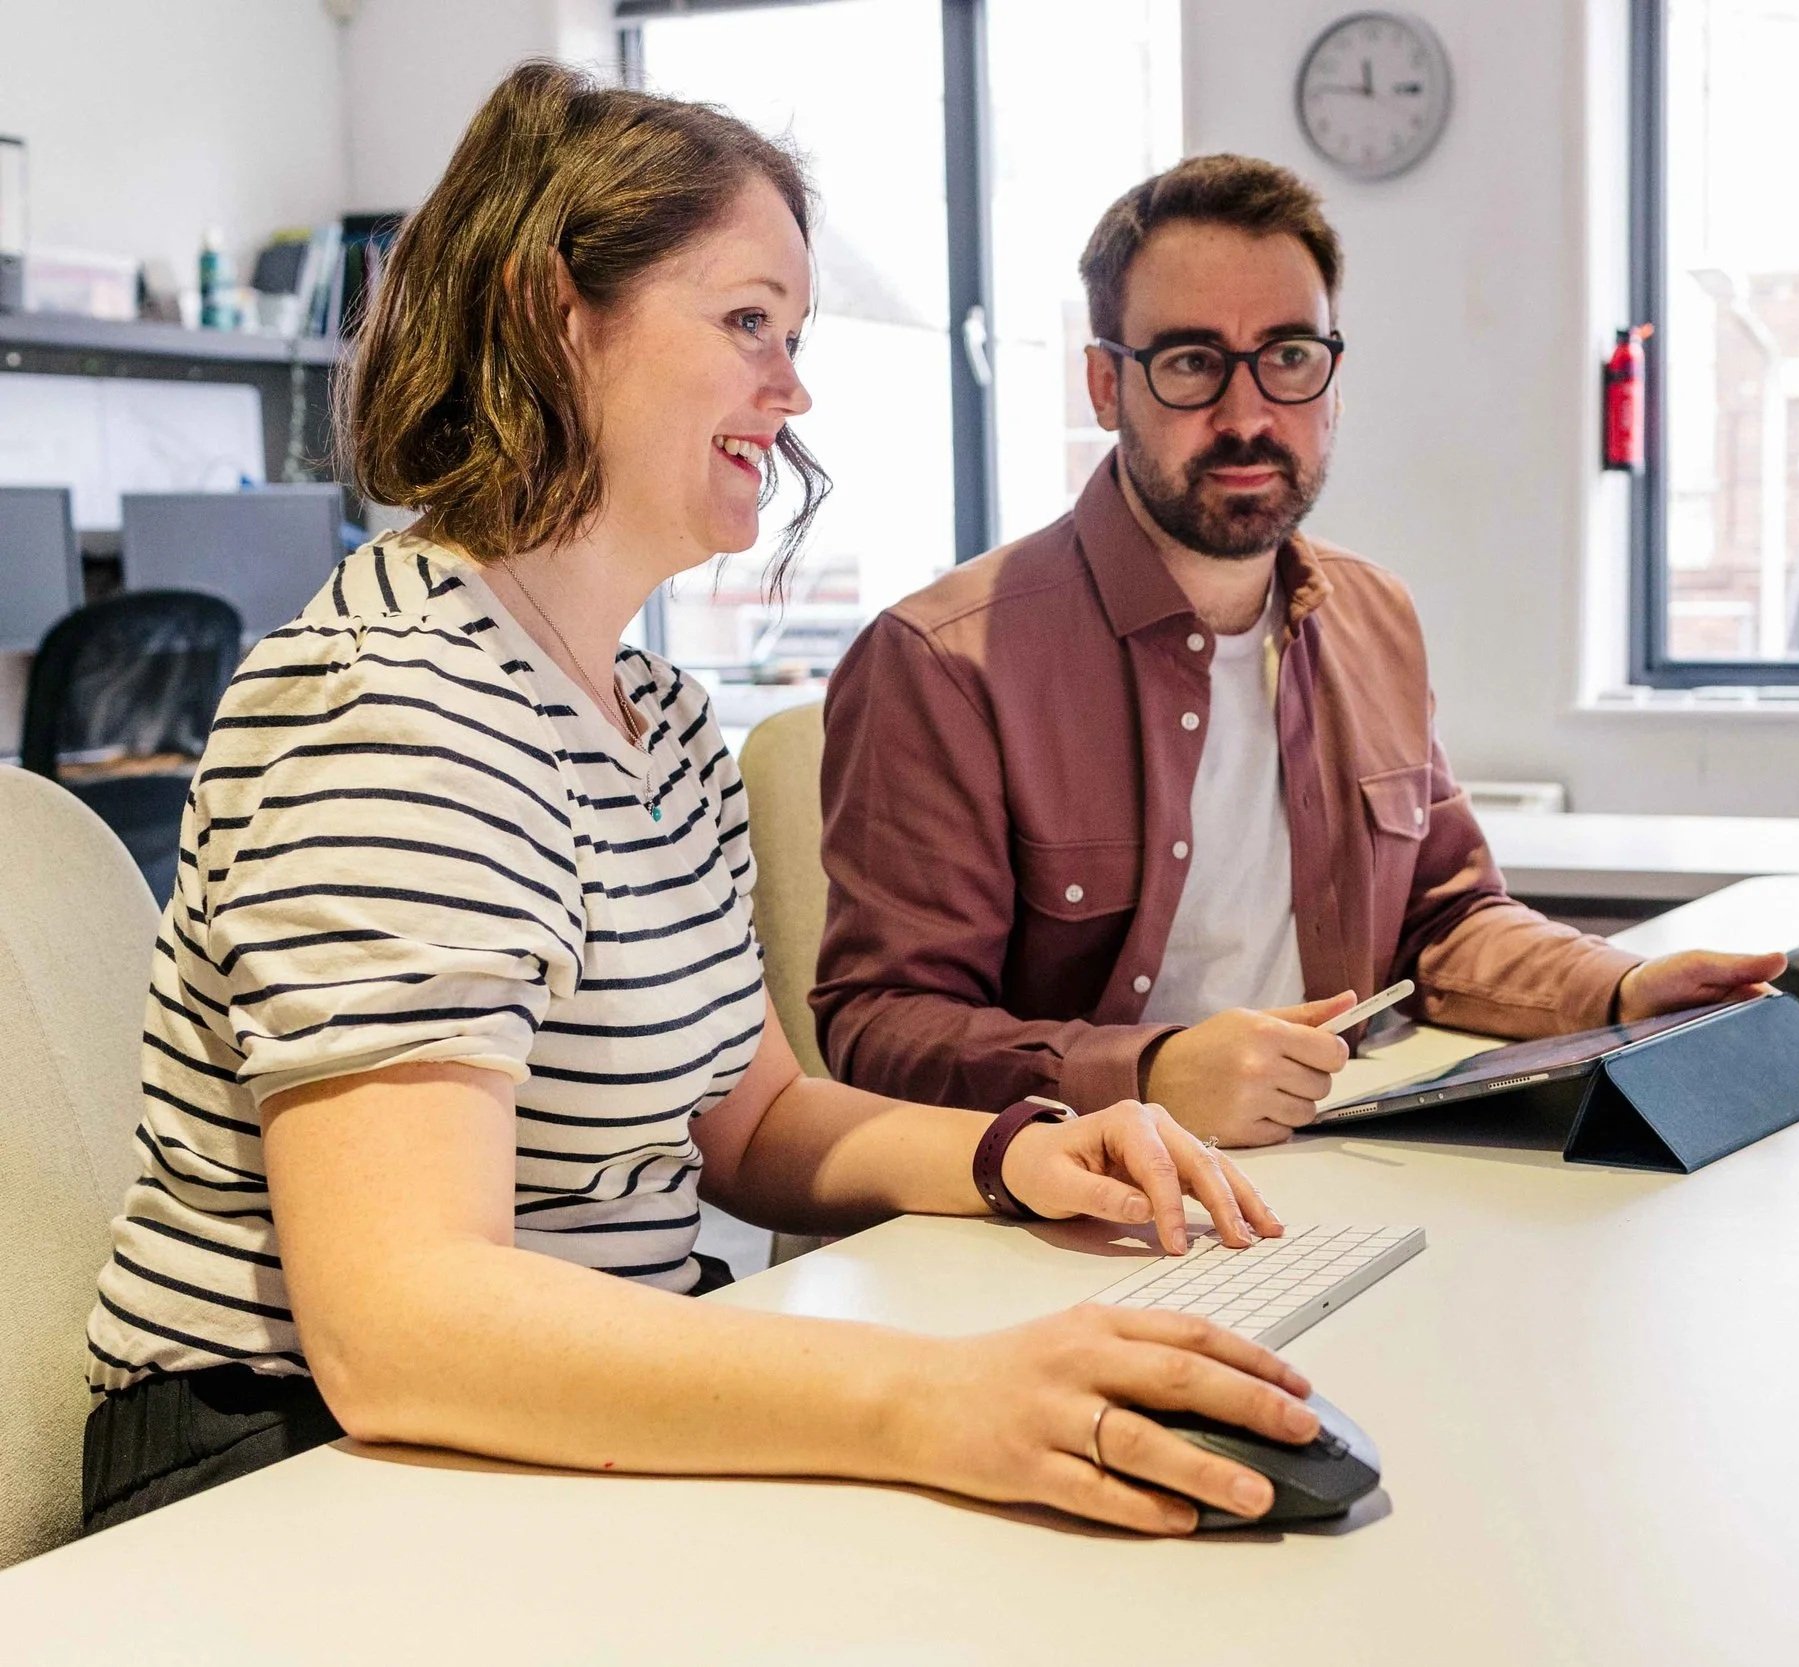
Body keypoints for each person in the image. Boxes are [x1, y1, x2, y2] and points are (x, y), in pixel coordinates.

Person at [79, 68, 1323, 1541]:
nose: (790, 390)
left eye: (792, 339)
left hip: (546, 1410)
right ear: (559, 315)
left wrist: (1014, 1151)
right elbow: (402, 1322)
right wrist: (927, 1395)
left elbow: (753, 1121)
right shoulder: (391, 705)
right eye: (747, 324)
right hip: (284, 1478)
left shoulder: (652, 719)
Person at [813, 154, 1783, 1148]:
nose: (1246, 416)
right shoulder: (942, 660)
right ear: (1105, 384)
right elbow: (880, 1026)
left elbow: (1437, 923)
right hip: (1081, 1210)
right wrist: (1144, 1075)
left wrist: (1615, 987)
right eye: (1191, 362)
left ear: (1332, 380)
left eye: (1285, 356)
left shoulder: (1373, 616)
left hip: (1337, 1156)